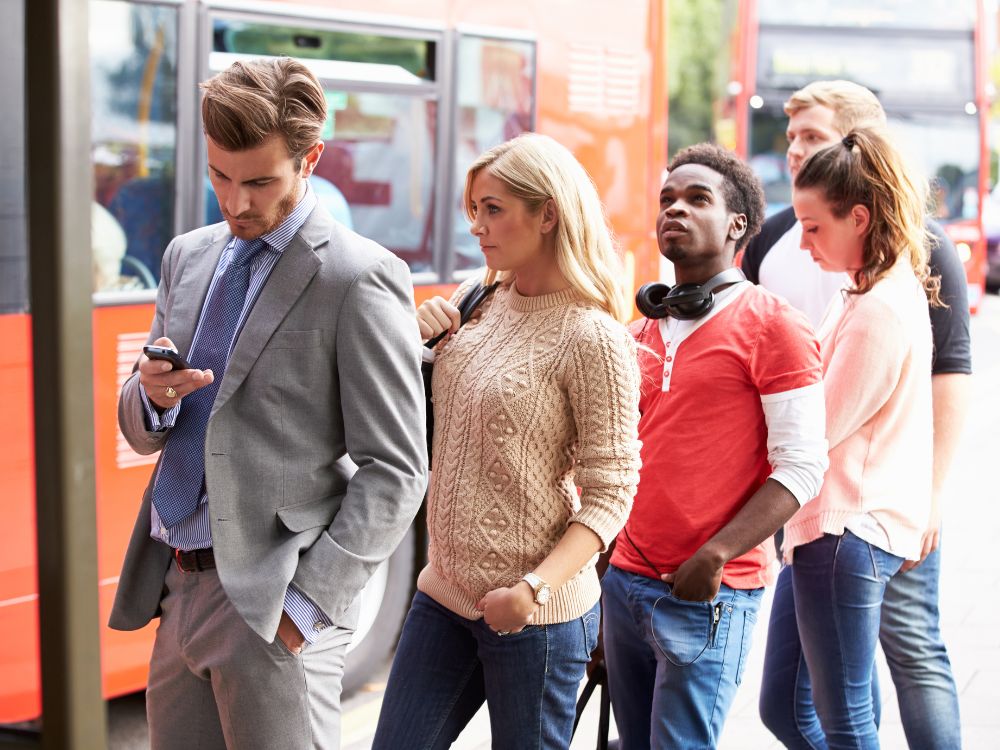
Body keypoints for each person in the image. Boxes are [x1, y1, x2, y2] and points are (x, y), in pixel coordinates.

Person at [111, 58, 427, 750]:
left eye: (260, 181)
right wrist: (154, 397)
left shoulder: (359, 277)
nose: (236, 201)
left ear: (310, 159)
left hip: (274, 601)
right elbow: (139, 428)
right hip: (175, 584)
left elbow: (398, 469)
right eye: (220, 176)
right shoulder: (185, 258)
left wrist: (307, 608)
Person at [371, 133, 642, 750]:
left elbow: (612, 494)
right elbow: (427, 425)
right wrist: (419, 346)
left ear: (547, 213)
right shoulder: (480, 298)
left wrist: (531, 591)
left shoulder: (593, 338)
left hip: (535, 618)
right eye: (475, 211)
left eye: (492, 209)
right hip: (444, 593)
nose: (478, 227)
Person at [745, 81, 971, 750]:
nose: (805, 241)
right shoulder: (860, 286)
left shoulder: (879, 304)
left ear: (860, 217)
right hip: (826, 528)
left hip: (852, 525)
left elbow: (810, 434)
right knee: (799, 708)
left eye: (817, 228)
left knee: (858, 710)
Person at [602, 143, 829, 750]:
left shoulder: (774, 325)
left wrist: (716, 554)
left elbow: (804, 465)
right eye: (667, 199)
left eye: (697, 198)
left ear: (738, 225)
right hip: (622, 582)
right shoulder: (639, 330)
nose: (675, 209)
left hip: (708, 591)